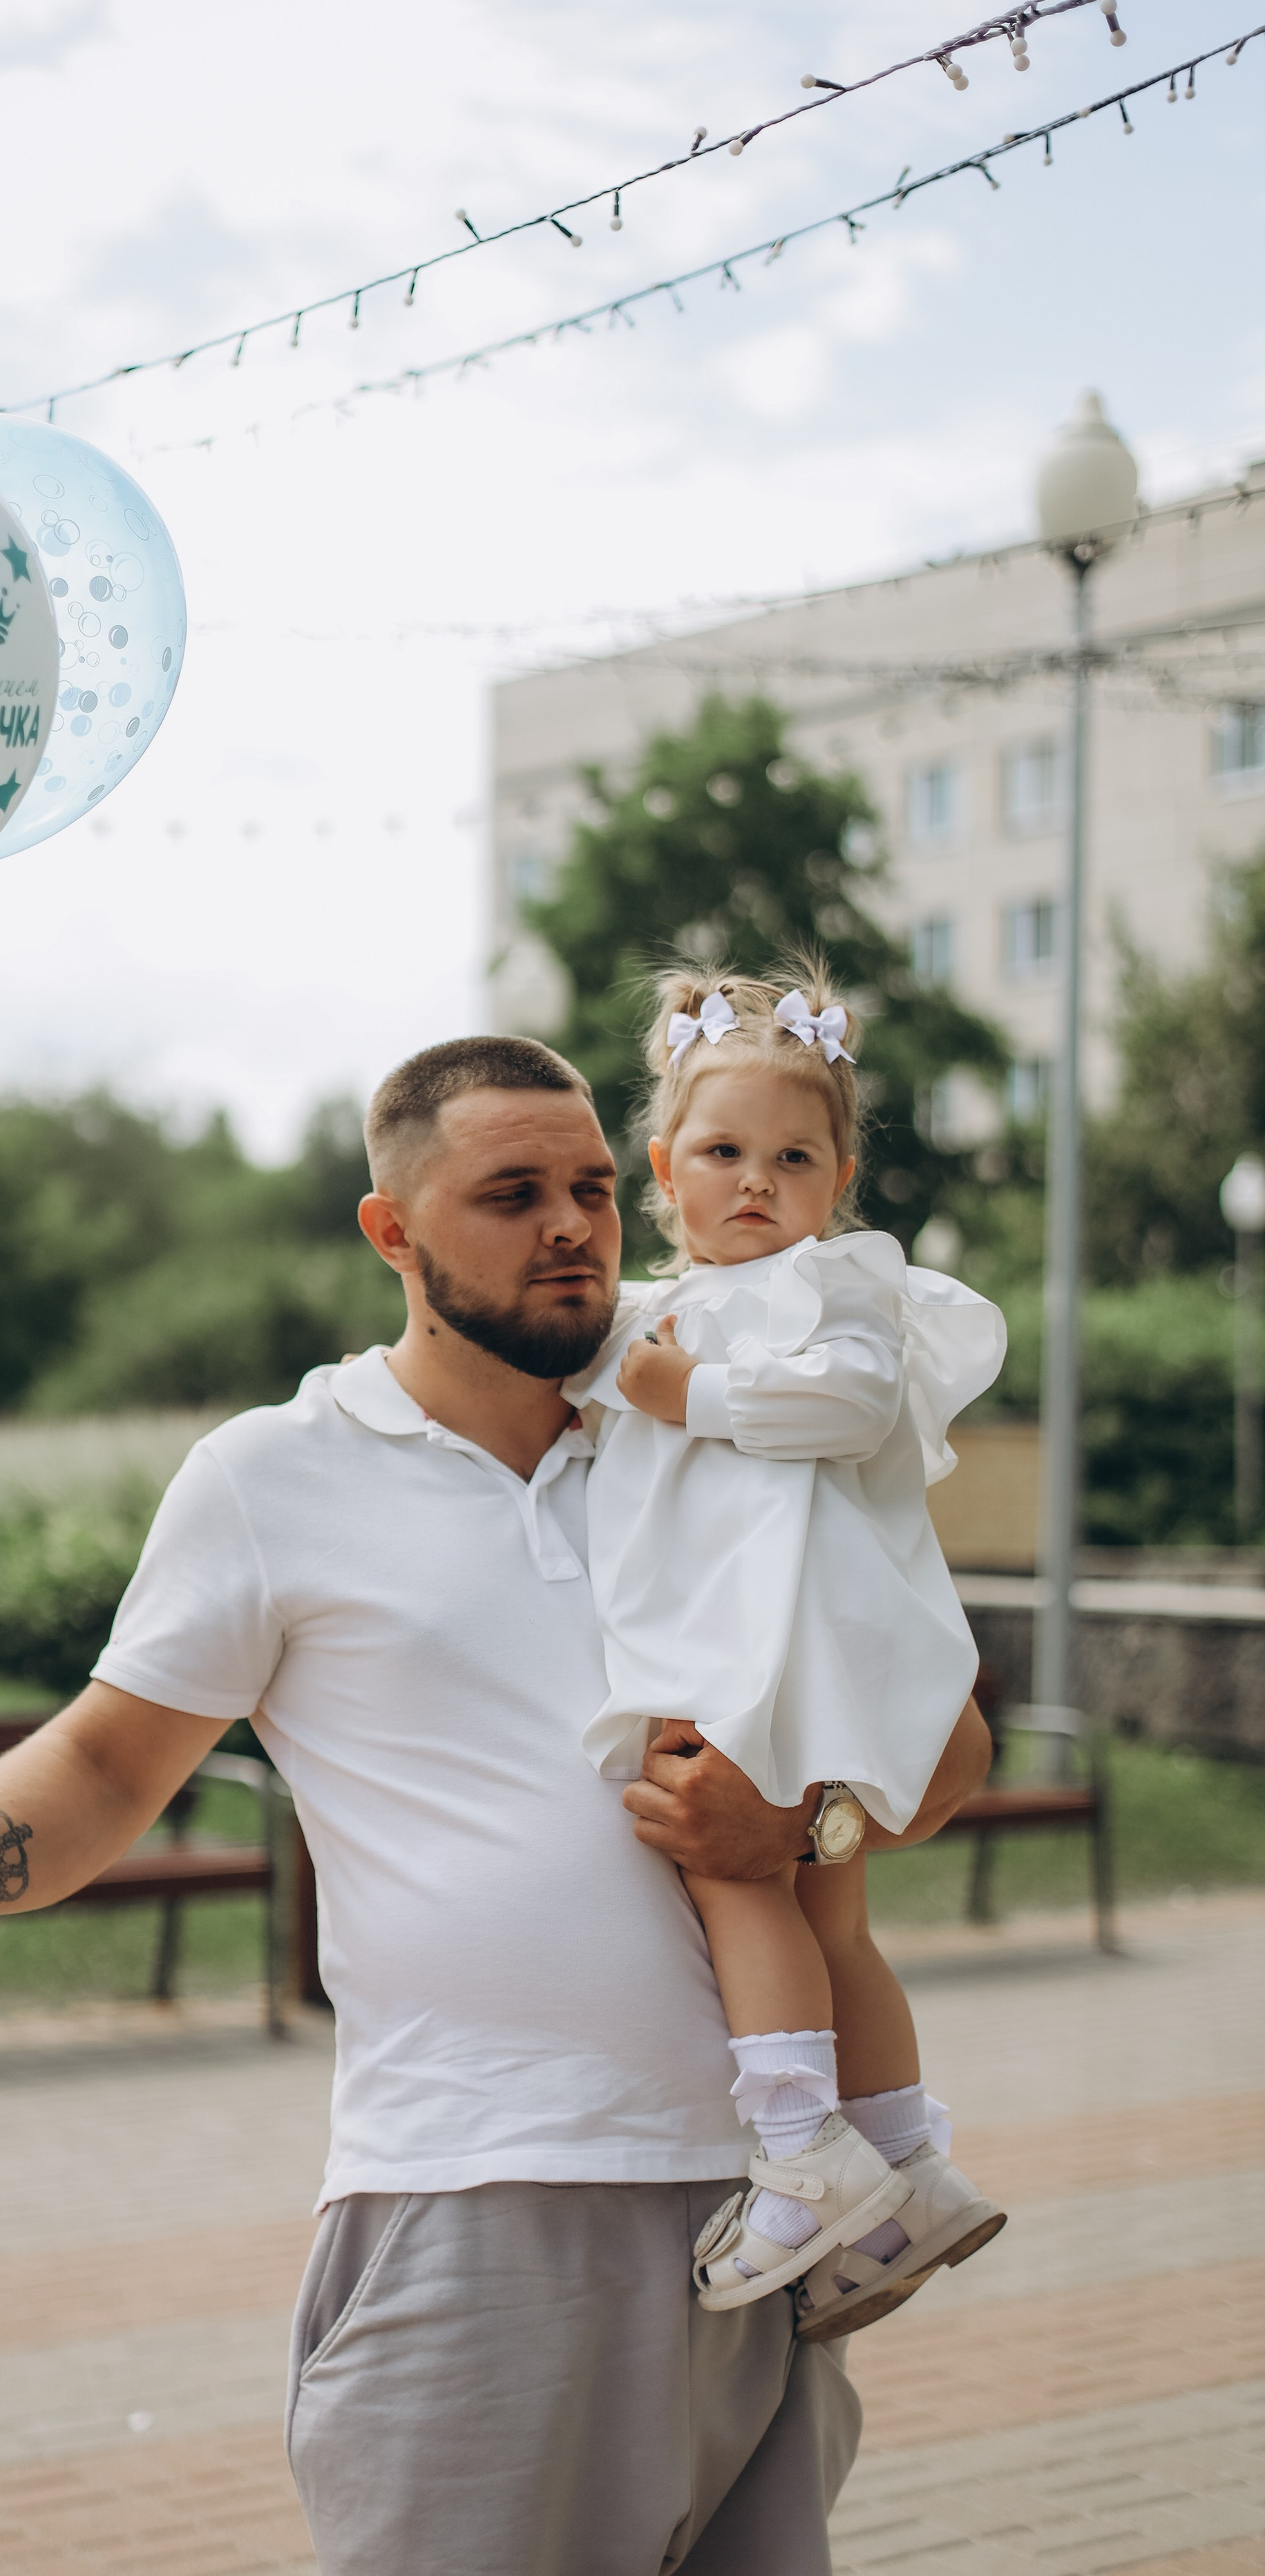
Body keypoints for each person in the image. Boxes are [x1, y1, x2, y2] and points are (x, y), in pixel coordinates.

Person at [0, 1032, 991, 2576]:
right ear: (390, 1232)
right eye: (512, 1192)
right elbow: (112, 1766)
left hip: (771, 2215)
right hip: (483, 2207)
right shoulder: (273, 1477)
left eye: (594, 1188)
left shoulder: (729, 1428)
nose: (570, 1226)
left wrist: (799, 1832)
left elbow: (944, 1756)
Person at [568, 970, 1007, 2340]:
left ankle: (798, 2151)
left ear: (839, 1180)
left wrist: (684, 1391)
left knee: (733, 1871)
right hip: (750, 1632)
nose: (754, 1183)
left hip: (777, 1640)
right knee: (829, 1916)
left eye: (791, 1158)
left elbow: (851, 1402)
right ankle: (905, 2156)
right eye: (721, 1153)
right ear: (662, 1170)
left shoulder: (839, 1291)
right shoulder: (645, 1311)